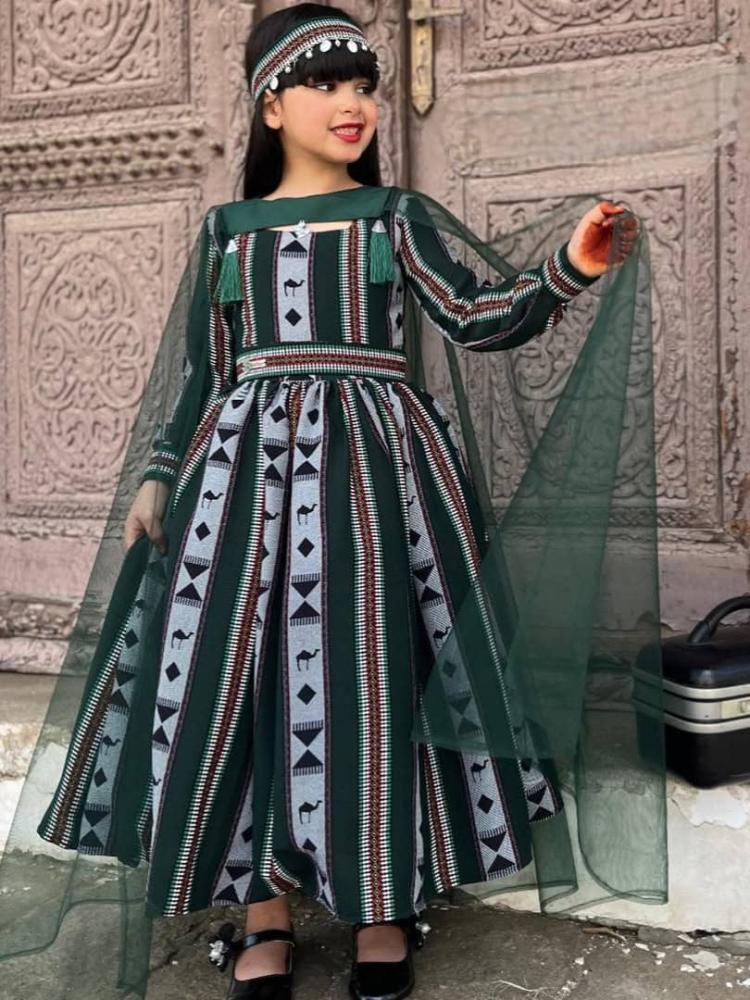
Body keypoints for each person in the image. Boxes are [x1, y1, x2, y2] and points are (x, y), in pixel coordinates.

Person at [32, 4, 639, 999]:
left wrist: (570, 266)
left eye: (364, 85)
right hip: (239, 490)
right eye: (324, 83)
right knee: (243, 686)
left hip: (377, 487)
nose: (352, 103)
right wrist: (157, 473)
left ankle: (380, 907)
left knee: (368, 678)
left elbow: (479, 316)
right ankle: (260, 910)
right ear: (270, 104)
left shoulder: (395, 217)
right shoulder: (228, 233)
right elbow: (201, 373)